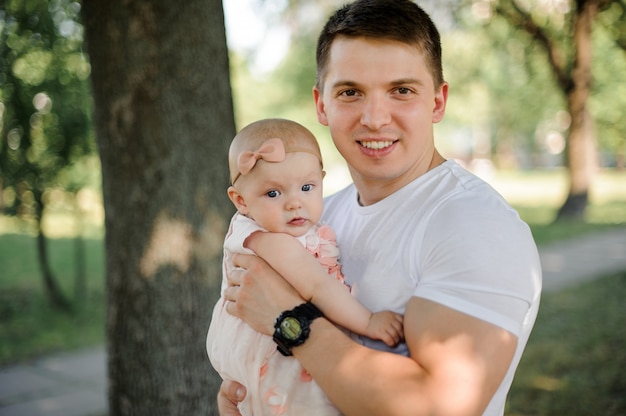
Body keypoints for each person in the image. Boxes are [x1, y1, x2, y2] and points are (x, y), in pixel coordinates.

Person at [218, 0, 542, 414]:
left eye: (401, 90)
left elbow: (438, 407)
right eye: (350, 92)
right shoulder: (313, 218)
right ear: (321, 105)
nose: (374, 117)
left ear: (438, 102)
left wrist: (289, 319)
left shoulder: (476, 227)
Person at [207, 118, 404, 415]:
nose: (294, 203)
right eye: (273, 193)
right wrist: (368, 322)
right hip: (269, 352)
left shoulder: (293, 228)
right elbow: (316, 287)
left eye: (307, 187)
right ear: (241, 201)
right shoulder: (265, 239)